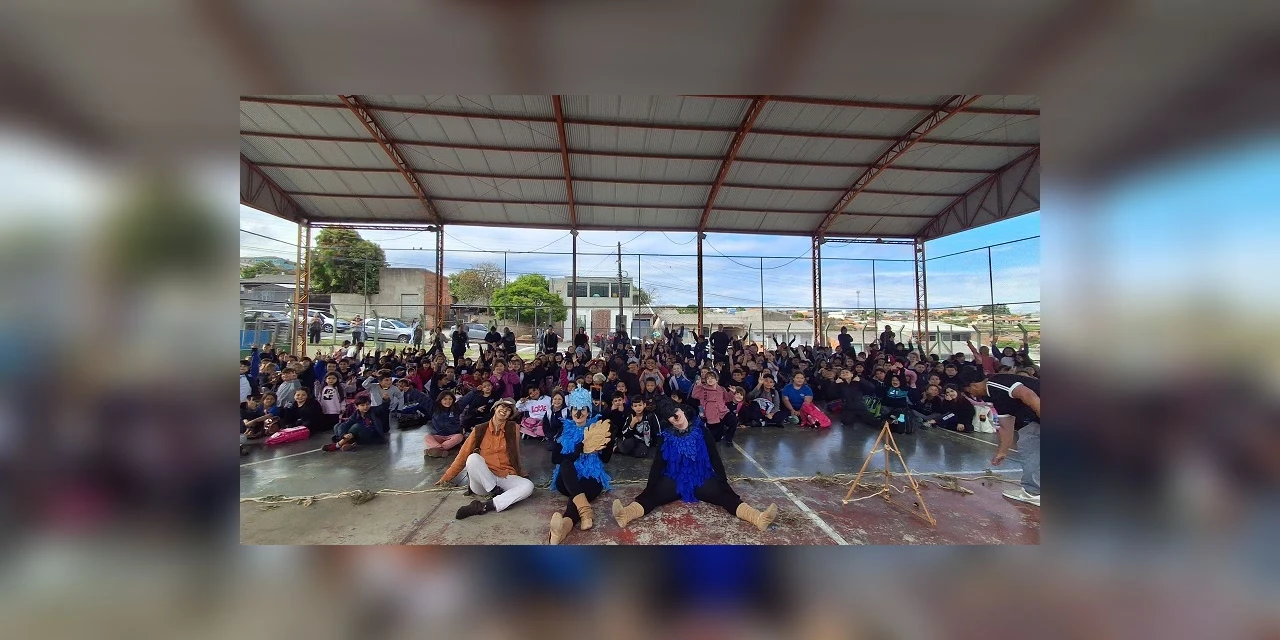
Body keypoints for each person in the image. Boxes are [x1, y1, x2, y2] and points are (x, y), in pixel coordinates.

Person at [611, 397, 778, 532]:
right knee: (652, 495)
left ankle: (758, 518)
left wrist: (724, 482)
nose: (675, 422)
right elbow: (658, 463)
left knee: (725, 496)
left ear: (682, 410)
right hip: (674, 478)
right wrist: (649, 486)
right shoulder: (666, 436)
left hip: (700, 477)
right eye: (671, 420)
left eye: (676, 416)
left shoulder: (701, 431)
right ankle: (625, 514)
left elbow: (714, 457)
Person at [437, 399, 535, 519]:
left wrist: (520, 472)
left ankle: (485, 506)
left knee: (528, 486)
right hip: (482, 482)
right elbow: (462, 456)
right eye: (502, 406)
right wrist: (446, 478)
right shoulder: (480, 429)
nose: (504, 410)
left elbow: (515, 453)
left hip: (504, 476)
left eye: (509, 409)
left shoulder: (513, 428)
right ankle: (494, 491)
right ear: (495, 408)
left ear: (510, 414)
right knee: (473, 458)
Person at [958, 369, 1041, 506]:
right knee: (1032, 441)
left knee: (1030, 444)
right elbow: (1006, 425)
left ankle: (1033, 493)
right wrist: (1002, 451)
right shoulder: (994, 396)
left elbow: (1027, 394)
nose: (971, 394)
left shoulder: (996, 384)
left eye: (969, 391)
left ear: (973, 386)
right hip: (1037, 418)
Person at [547, 388, 615, 544]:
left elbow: (605, 459)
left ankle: (562, 530)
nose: (579, 413)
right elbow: (555, 459)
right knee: (566, 464)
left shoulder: (597, 430)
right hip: (566, 479)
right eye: (575, 409)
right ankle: (586, 511)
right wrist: (576, 452)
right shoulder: (564, 430)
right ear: (571, 411)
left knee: (577, 495)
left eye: (583, 409)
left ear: (588, 411)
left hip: (591, 479)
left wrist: (609, 443)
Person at [691, 370, 736, 444]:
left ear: (716, 379)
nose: (710, 380)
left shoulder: (721, 389)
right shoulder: (703, 389)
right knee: (716, 439)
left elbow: (727, 398)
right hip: (711, 415)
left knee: (734, 420)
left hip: (723, 412)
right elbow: (694, 395)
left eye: (712, 378)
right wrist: (698, 385)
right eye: (708, 378)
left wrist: (732, 392)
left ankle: (728, 437)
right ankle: (721, 432)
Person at [424, 392, 465, 458]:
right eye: (445, 399)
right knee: (427, 437)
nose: (448, 401)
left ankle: (435, 449)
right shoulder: (434, 408)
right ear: (440, 400)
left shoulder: (456, 408)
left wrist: (475, 391)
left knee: (460, 436)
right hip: (438, 436)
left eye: (450, 399)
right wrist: (410, 390)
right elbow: (422, 398)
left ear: (453, 400)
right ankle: (440, 449)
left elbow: (466, 399)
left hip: (452, 436)